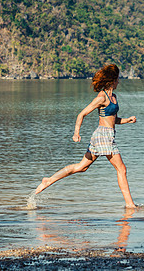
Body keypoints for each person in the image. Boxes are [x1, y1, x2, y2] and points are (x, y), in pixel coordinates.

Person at [35, 64, 137, 208]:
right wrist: (76, 132)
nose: (119, 82)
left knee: (81, 167)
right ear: (112, 80)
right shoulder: (102, 97)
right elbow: (81, 114)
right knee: (122, 169)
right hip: (103, 136)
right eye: (117, 79)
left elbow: (113, 119)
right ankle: (130, 205)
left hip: (106, 135)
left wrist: (128, 120)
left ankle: (49, 180)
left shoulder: (113, 97)